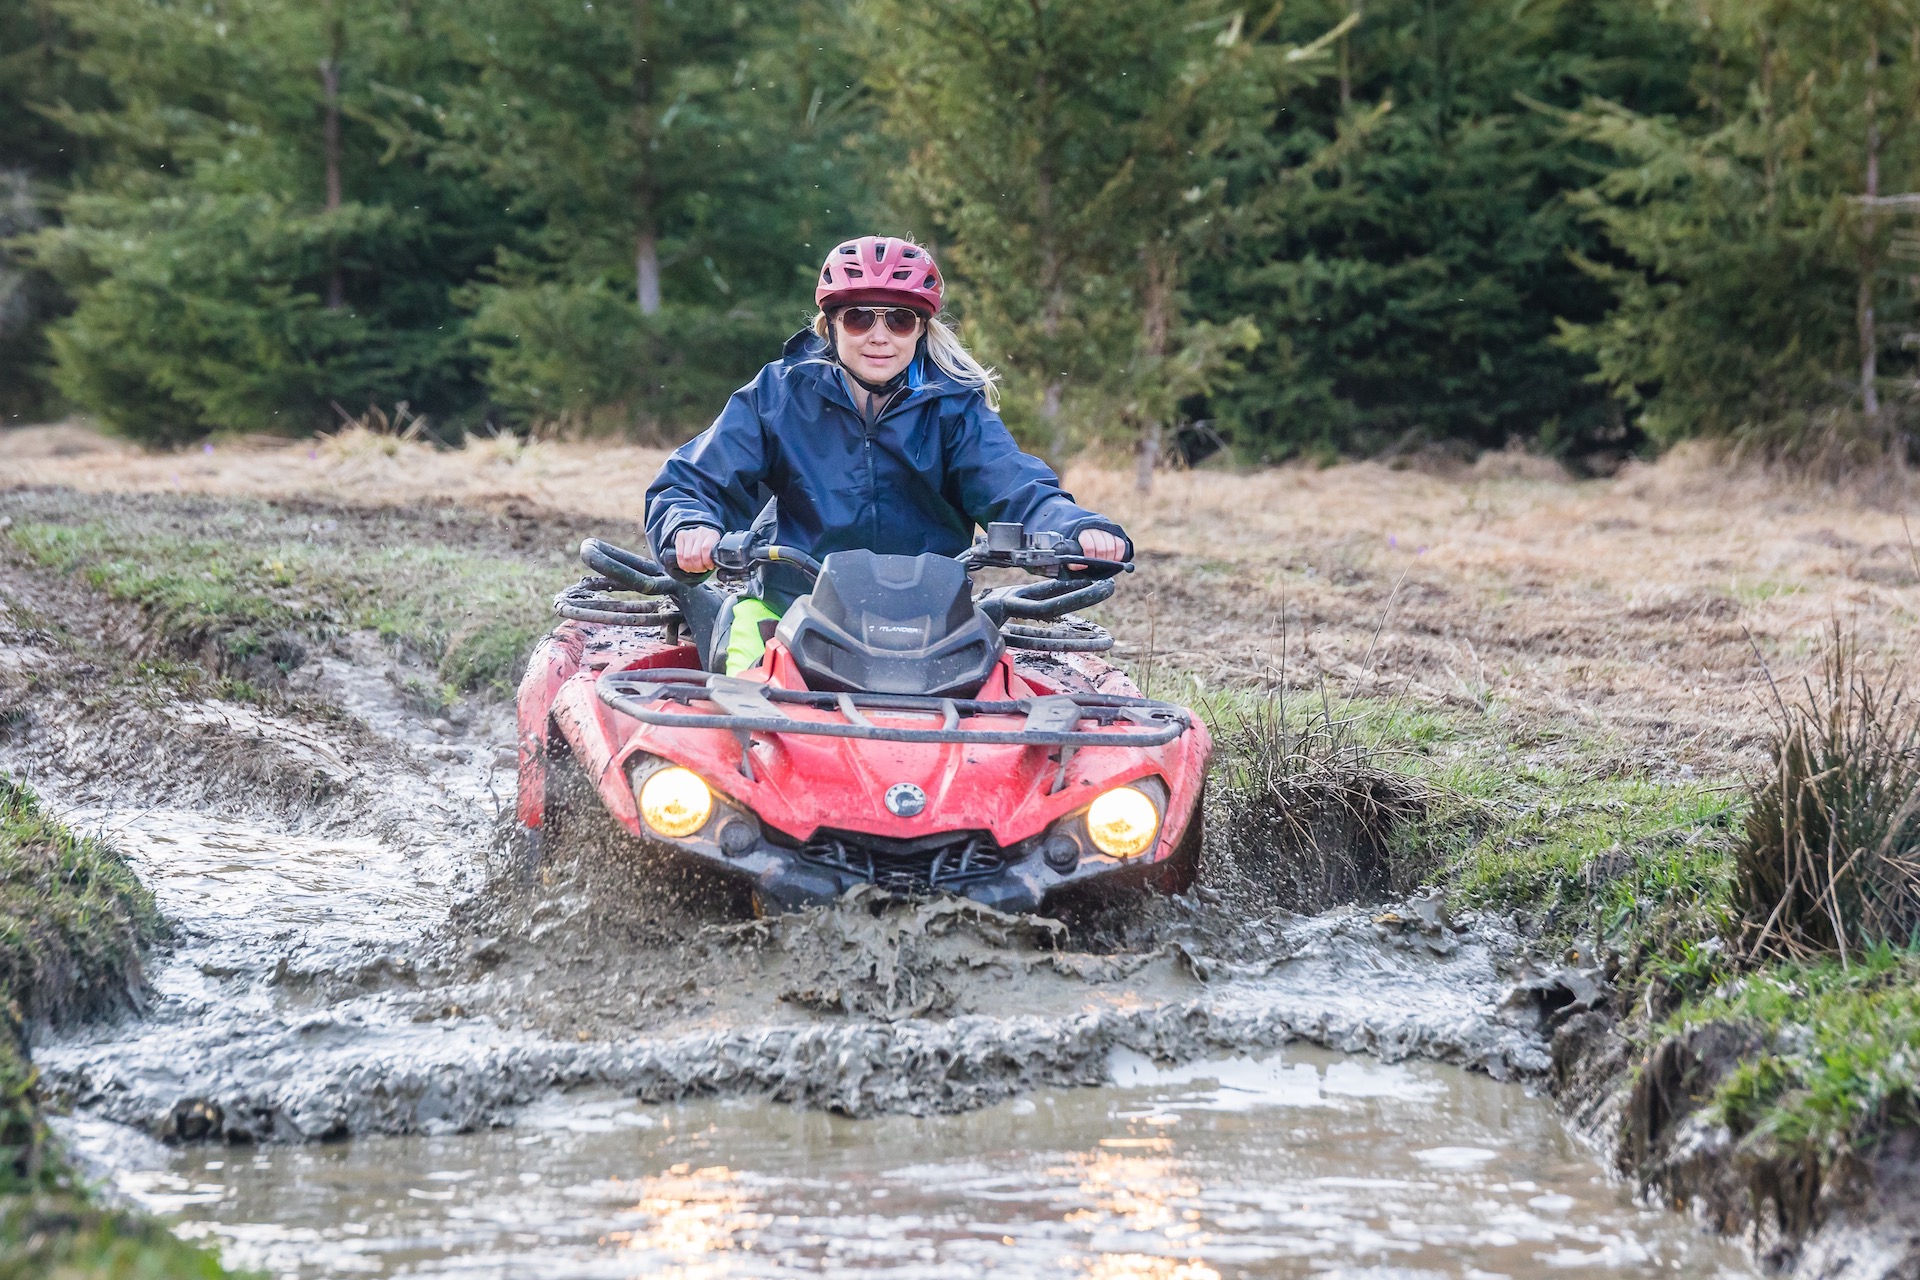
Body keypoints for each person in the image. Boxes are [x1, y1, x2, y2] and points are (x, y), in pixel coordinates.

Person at [644, 234, 1132, 674]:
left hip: (934, 626)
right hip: (789, 611)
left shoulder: (954, 407)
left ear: (920, 330)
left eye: (899, 320)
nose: (879, 336)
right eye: (858, 318)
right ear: (830, 326)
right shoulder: (779, 395)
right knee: (743, 722)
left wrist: (1073, 527)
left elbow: (1013, 483)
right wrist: (689, 527)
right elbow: (692, 481)